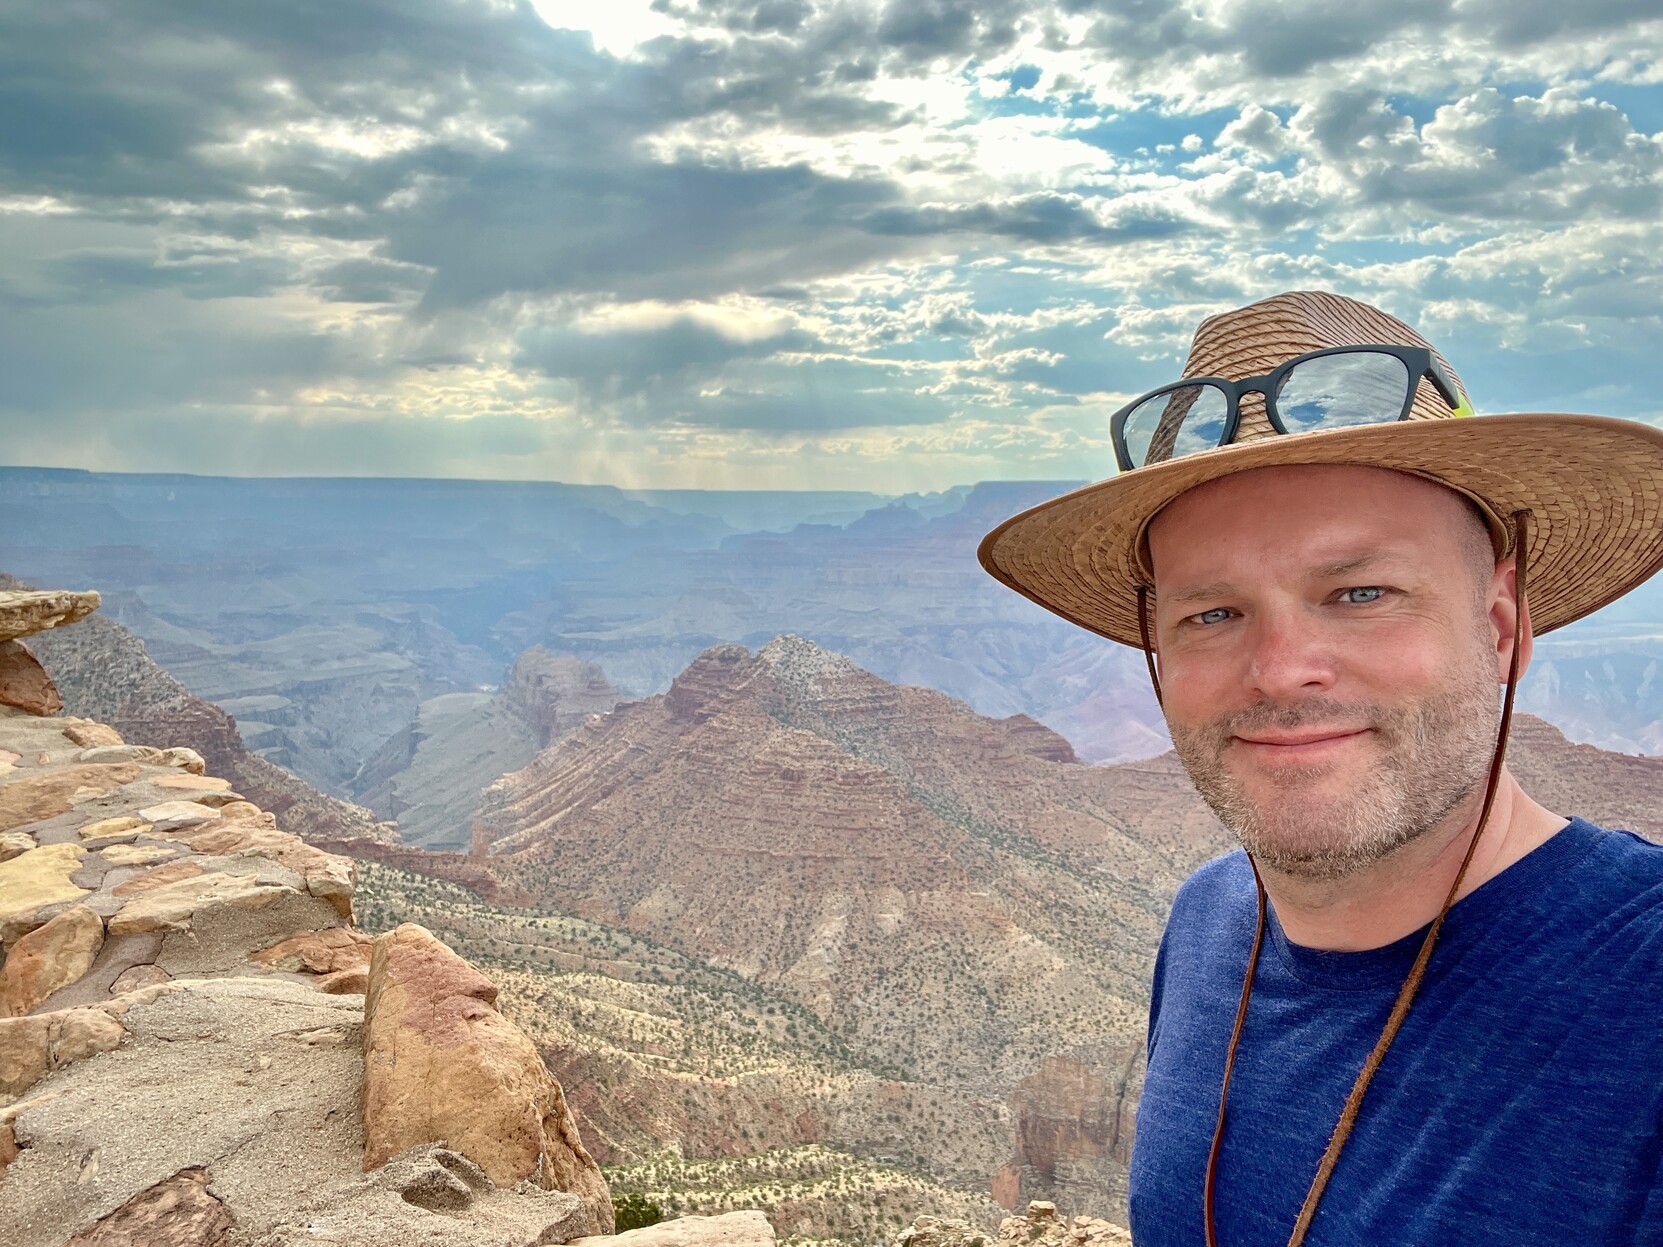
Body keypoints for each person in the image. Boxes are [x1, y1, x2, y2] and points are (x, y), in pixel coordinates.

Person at [978, 290, 1663, 1246]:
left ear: (1501, 626)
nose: (1277, 668)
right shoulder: (1208, 921)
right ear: (1156, 657)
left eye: (1360, 590)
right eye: (1211, 613)